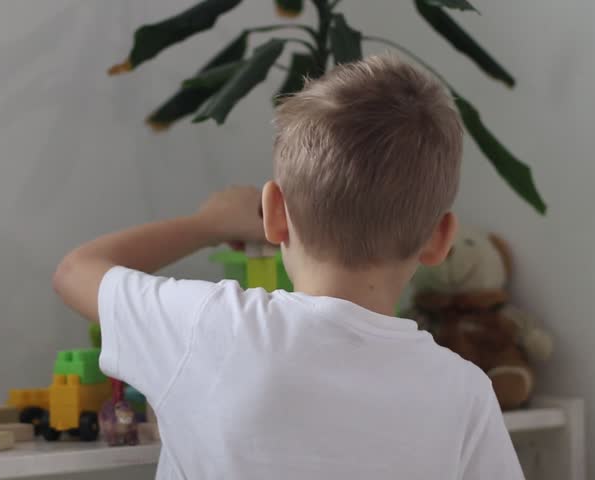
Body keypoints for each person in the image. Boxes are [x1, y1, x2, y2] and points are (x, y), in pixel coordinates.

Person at [53, 55, 524, 480]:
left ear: (274, 213)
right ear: (441, 238)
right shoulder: (464, 393)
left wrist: (206, 223)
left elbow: (76, 271)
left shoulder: (209, 328)